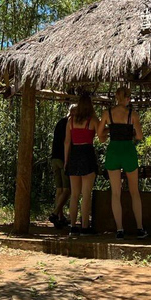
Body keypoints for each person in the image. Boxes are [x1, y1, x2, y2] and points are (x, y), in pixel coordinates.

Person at [97, 86, 147, 239]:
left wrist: (111, 130)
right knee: (134, 192)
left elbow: (99, 135)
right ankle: (139, 228)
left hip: (113, 151)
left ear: (116, 97)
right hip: (128, 151)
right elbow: (139, 136)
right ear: (127, 98)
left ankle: (119, 230)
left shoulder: (107, 113)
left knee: (115, 193)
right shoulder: (133, 114)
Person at [64, 95, 99, 236]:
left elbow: (67, 142)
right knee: (86, 194)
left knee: (74, 194)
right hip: (87, 154)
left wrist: (66, 161)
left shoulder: (70, 121)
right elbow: (102, 136)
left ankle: (72, 226)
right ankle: (85, 226)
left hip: (74, 155)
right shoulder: (93, 121)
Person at [49, 105, 74, 229]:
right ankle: (55, 213)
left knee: (59, 189)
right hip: (63, 159)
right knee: (67, 190)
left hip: (54, 158)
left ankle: (60, 216)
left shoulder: (60, 122)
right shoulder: (70, 124)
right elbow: (67, 142)